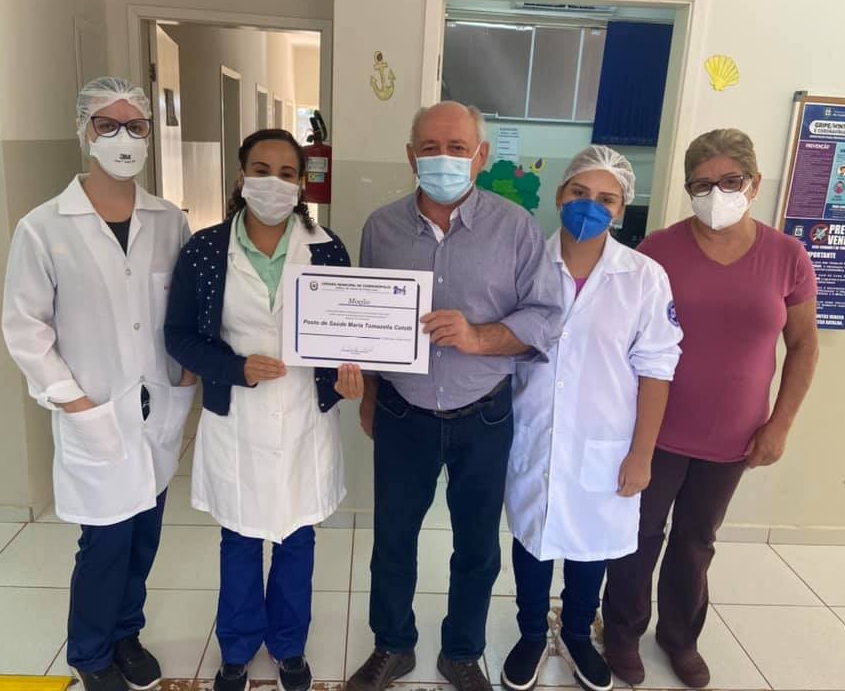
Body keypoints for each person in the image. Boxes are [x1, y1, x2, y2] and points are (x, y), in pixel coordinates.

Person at [346, 101, 564, 691]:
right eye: (431, 147)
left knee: (476, 546)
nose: (444, 158)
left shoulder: (516, 228)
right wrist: (366, 391)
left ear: (481, 156)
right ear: (411, 155)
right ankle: (393, 645)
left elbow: (545, 316)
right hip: (402, 412)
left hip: (484, 414)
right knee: (393, 540)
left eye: (458, 147)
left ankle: (462, 652)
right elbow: (364, 319)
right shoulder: (380, 228)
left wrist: (478, 337)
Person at [602, 129, 819, 689]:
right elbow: (621, 338)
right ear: (687, 189)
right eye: (701, 185)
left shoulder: (787, 256)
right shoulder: (658, 250)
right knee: (637, 536)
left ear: (754, 183)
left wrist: (780, 425)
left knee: (696, 540)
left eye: (729, 181)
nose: (715, 194)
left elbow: (803, 345)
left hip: (734, 436)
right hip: (655, 430)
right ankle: (621, 632)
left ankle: (679, 638)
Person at [2, 76, 194, 691]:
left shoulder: (170, 221)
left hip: (157, 410)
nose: (123, 138)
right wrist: (76, 403)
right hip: (94, 410)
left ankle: (127, 634)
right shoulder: (43, 227)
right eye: (107, 125)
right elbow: (26, 329)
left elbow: (185, 308)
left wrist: (188, 372)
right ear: (84, 131)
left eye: (135, 126)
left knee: (144, 536)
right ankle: (90, 654)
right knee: (105, 543)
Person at [164, 129, 364, 691]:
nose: (273, 182)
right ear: (241, 176)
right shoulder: (206, 249)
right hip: (238, 420)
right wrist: (234, 368)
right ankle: (236, 648)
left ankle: (289, 647)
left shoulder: (327, 248)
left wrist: (349, 376)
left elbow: (348, 332)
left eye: (286, 173)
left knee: (298, 539)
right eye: (260, 169)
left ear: (301, 184)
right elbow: (179, 335)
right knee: (240, 540)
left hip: (305, 417)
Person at [501, 147, 682, 691]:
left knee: (593, 541)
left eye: (607, 198)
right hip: (532, 429)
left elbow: (657, 368)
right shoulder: (524, 263)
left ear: (622, 210)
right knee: (532, 535)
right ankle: (532, 633)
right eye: (580, 193)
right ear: (560, 195)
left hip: (606, 438)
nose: (590, 206)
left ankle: (579, 633)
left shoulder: (644, 276)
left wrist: (642, 453)